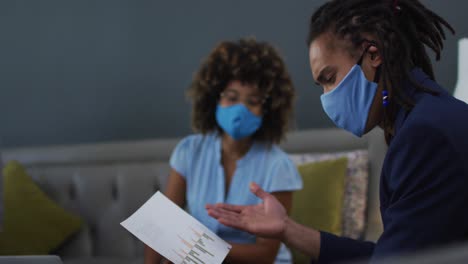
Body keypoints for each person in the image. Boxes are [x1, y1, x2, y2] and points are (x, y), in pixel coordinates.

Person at [206, 0, 468, 263]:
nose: (327, 98)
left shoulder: (423, 136)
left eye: (329, 78)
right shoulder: (428, 114)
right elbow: (394, 252)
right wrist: (287, 229)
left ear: (374, 55)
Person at [144, 38, 303, 264]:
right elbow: (161, 226)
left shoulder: (278, 166)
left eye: (253, 101)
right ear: (213, 98)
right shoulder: (189, 151)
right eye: (231, 97)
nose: (240, 109)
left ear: (268, 109)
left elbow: (265, 254)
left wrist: (197, 247)